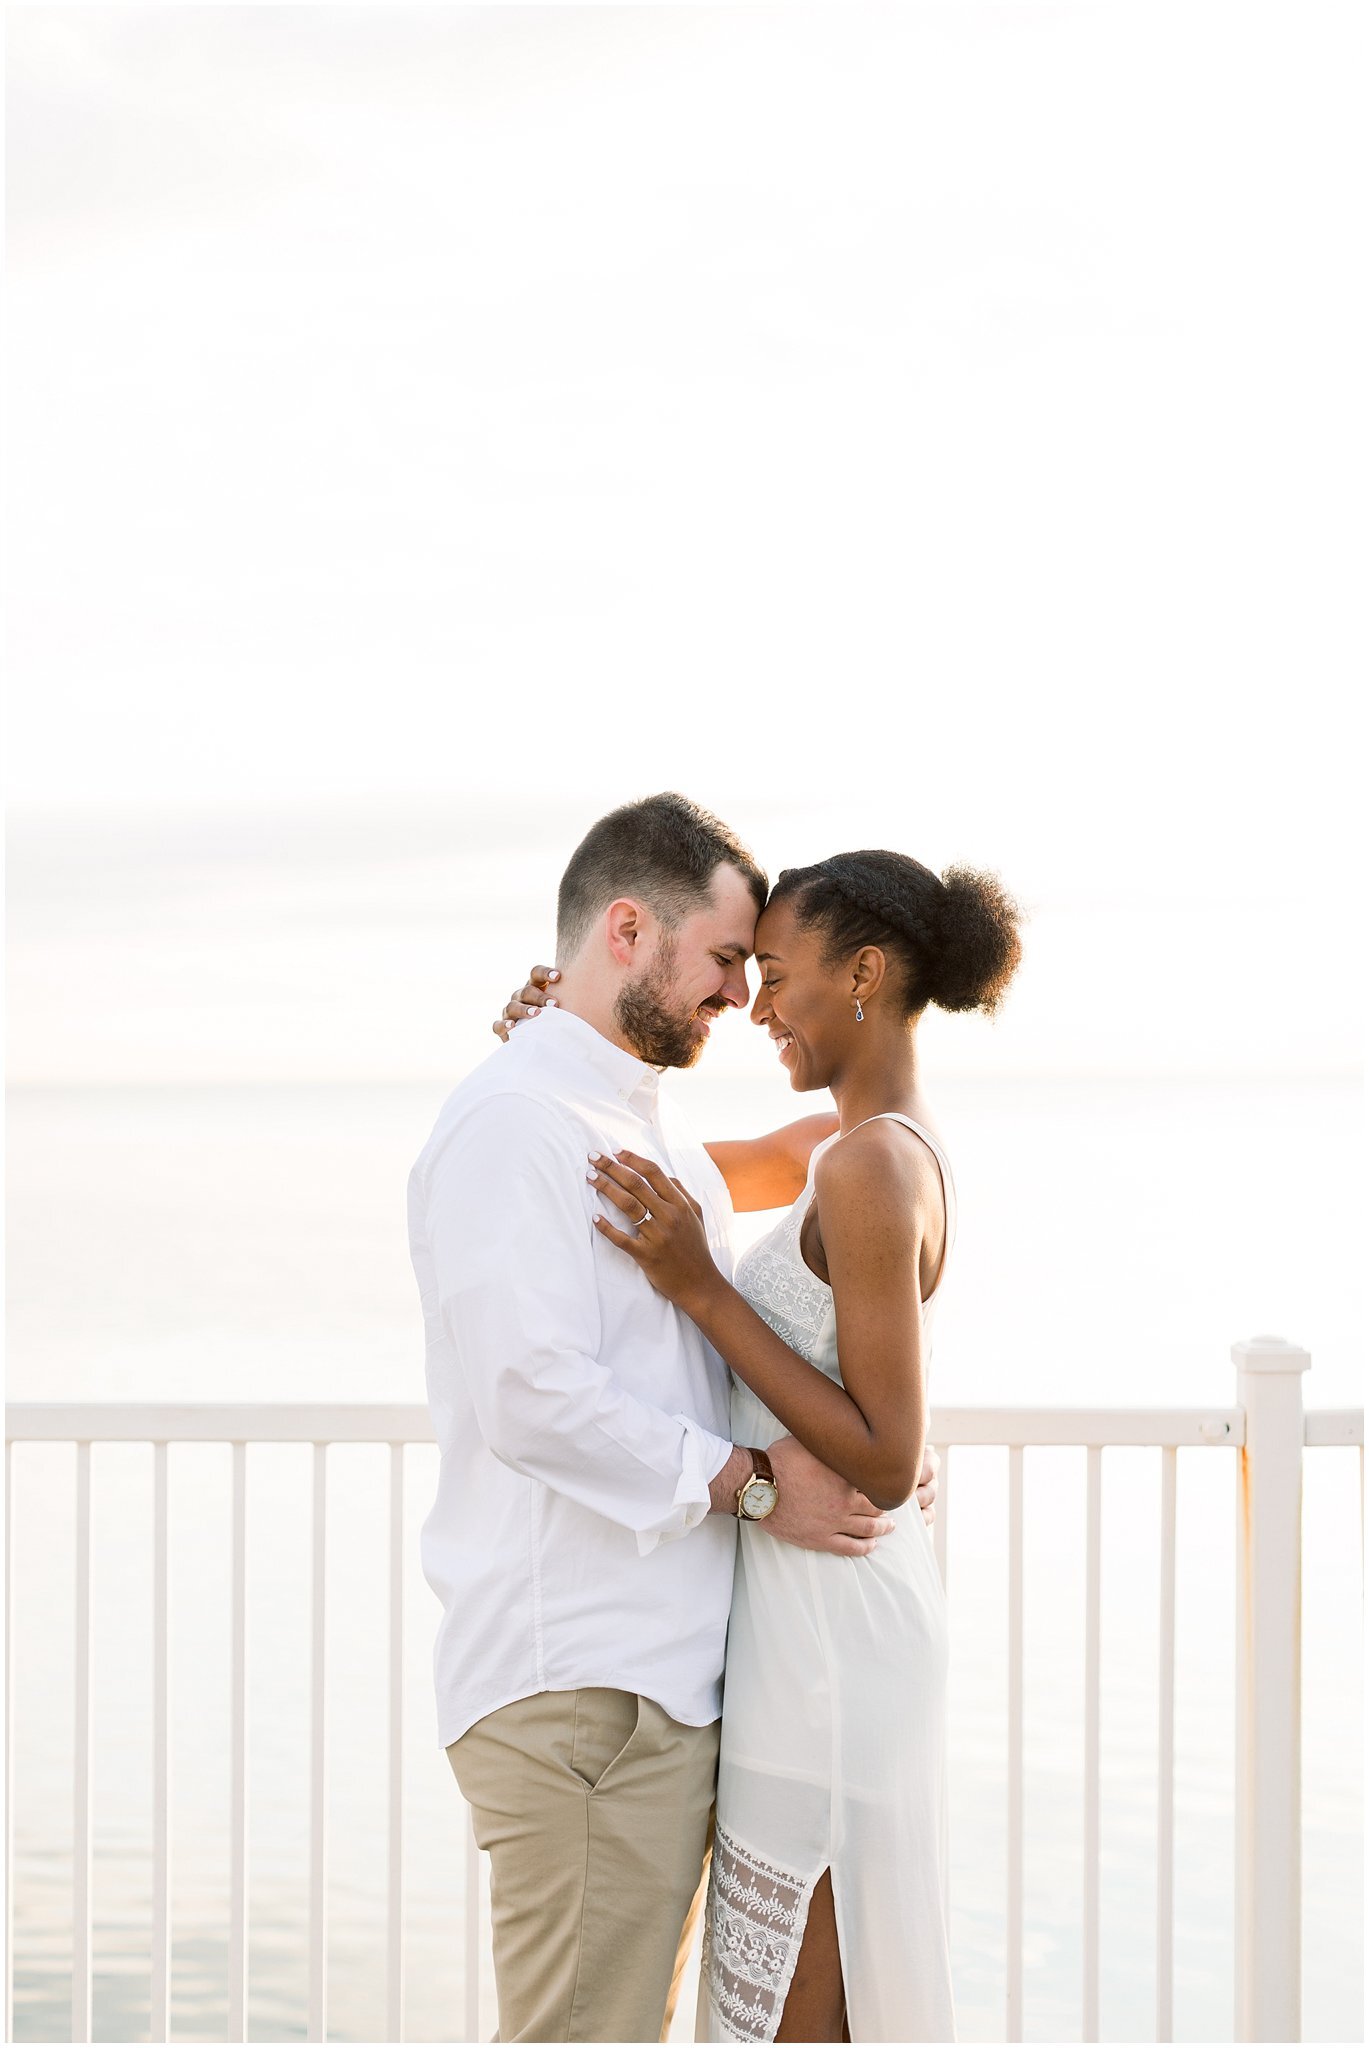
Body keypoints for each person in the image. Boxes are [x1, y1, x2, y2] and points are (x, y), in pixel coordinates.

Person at [409, 792, 939, 2046]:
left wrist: (884, 1426)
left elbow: (835, 1199)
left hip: (682, 1684)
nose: (740, 997)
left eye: (763, 971)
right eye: (723, 963)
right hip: (586, 1686)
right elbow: (531, 1393)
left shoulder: (634, 1121)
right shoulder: (520, 1120)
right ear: (630, 930)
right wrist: (758, 1479)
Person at [510, 847, 1022, 2043]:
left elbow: (888, 1457)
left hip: (839, 1627)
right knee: (801, 1985)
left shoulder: (871, 1163)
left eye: (778, 973)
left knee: (803, 1995)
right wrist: (562, 1030)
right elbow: (644, 1176)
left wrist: (703, 1290)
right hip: (807, 1610)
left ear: (866, 972)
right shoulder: (841, 1141)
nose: (759, 1007)